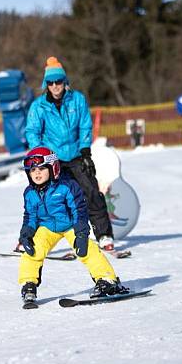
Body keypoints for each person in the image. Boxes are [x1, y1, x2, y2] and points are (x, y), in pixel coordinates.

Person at [24, 56, 116, 251]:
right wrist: (41, 155)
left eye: (59, 81)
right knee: (48, 199)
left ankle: (104, 235)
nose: (56, 86)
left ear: (64, 81)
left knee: (91, 193)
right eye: (51, 82)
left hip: (76, 155)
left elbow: (85, 126)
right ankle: (35, 240)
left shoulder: (78, 100)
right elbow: (32, 132)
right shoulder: (38, 107)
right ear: (46, 84)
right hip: (51, 158)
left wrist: (85, 151)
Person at [17, 146, 128, 305]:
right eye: (33, 170)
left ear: (53, 168)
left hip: (70, 225)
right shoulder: (30, 193)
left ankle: (107, 280)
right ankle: (28, 284)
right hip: (47, 227)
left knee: (87, 249)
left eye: (41, 169)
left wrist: (81, 234)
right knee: (33, 250)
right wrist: (26, 234)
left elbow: (79, 211)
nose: (37, 173)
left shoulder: (67, 186)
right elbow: (30, 216)